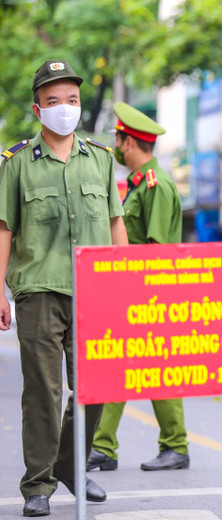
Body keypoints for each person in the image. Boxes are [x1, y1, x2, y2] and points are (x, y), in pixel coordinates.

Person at [0, 59, 128, 517]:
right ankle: (37, 485)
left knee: (98, 383)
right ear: (38, 110)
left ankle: (70, 464)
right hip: (38, 289)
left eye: (71, 100)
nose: (64, 108)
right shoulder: (16, 164)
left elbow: (116, 224)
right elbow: (4, 230)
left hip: (95, 292)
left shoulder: (100, 159)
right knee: (42, 391)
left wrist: (125, 284)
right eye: (53, 101)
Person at [86, 102, 189, 473]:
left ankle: (173, 446)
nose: (115, 145)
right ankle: (104, 446)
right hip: (134, 291)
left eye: (117, 138)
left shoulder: (155, 186)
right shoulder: (137, 185)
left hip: (153, 293)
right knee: (123, 365)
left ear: (129, 142)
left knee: (155, 368)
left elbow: (158, 252)